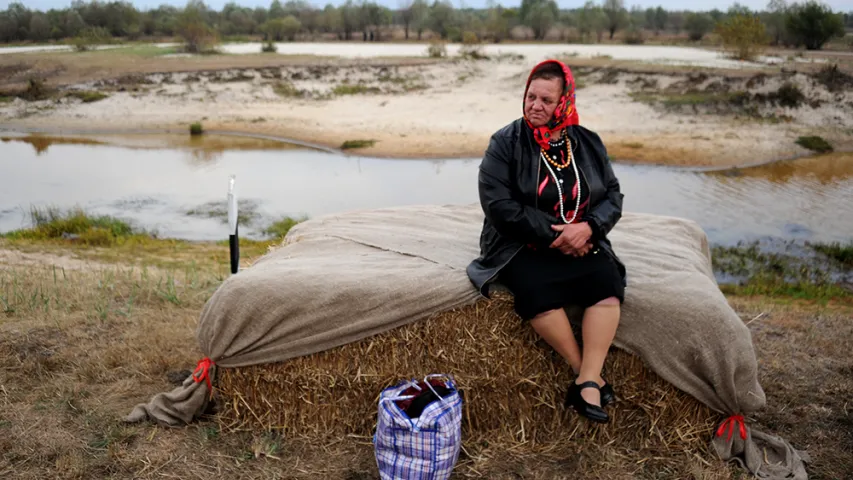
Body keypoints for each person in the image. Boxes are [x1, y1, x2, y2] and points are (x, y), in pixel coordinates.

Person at [466, 59, 627, 424]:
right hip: (518, 242)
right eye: (530, 97)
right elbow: (498, 204)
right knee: (536, 290)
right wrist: (559, 236)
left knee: (607, 283)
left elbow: (613, 195)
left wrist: (589, 229)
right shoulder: (505, 142)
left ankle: (586, 378)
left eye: (546, 100)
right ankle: (587, 374)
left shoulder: (587, 142)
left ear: (564, 103)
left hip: (583, 238)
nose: (535, 106)